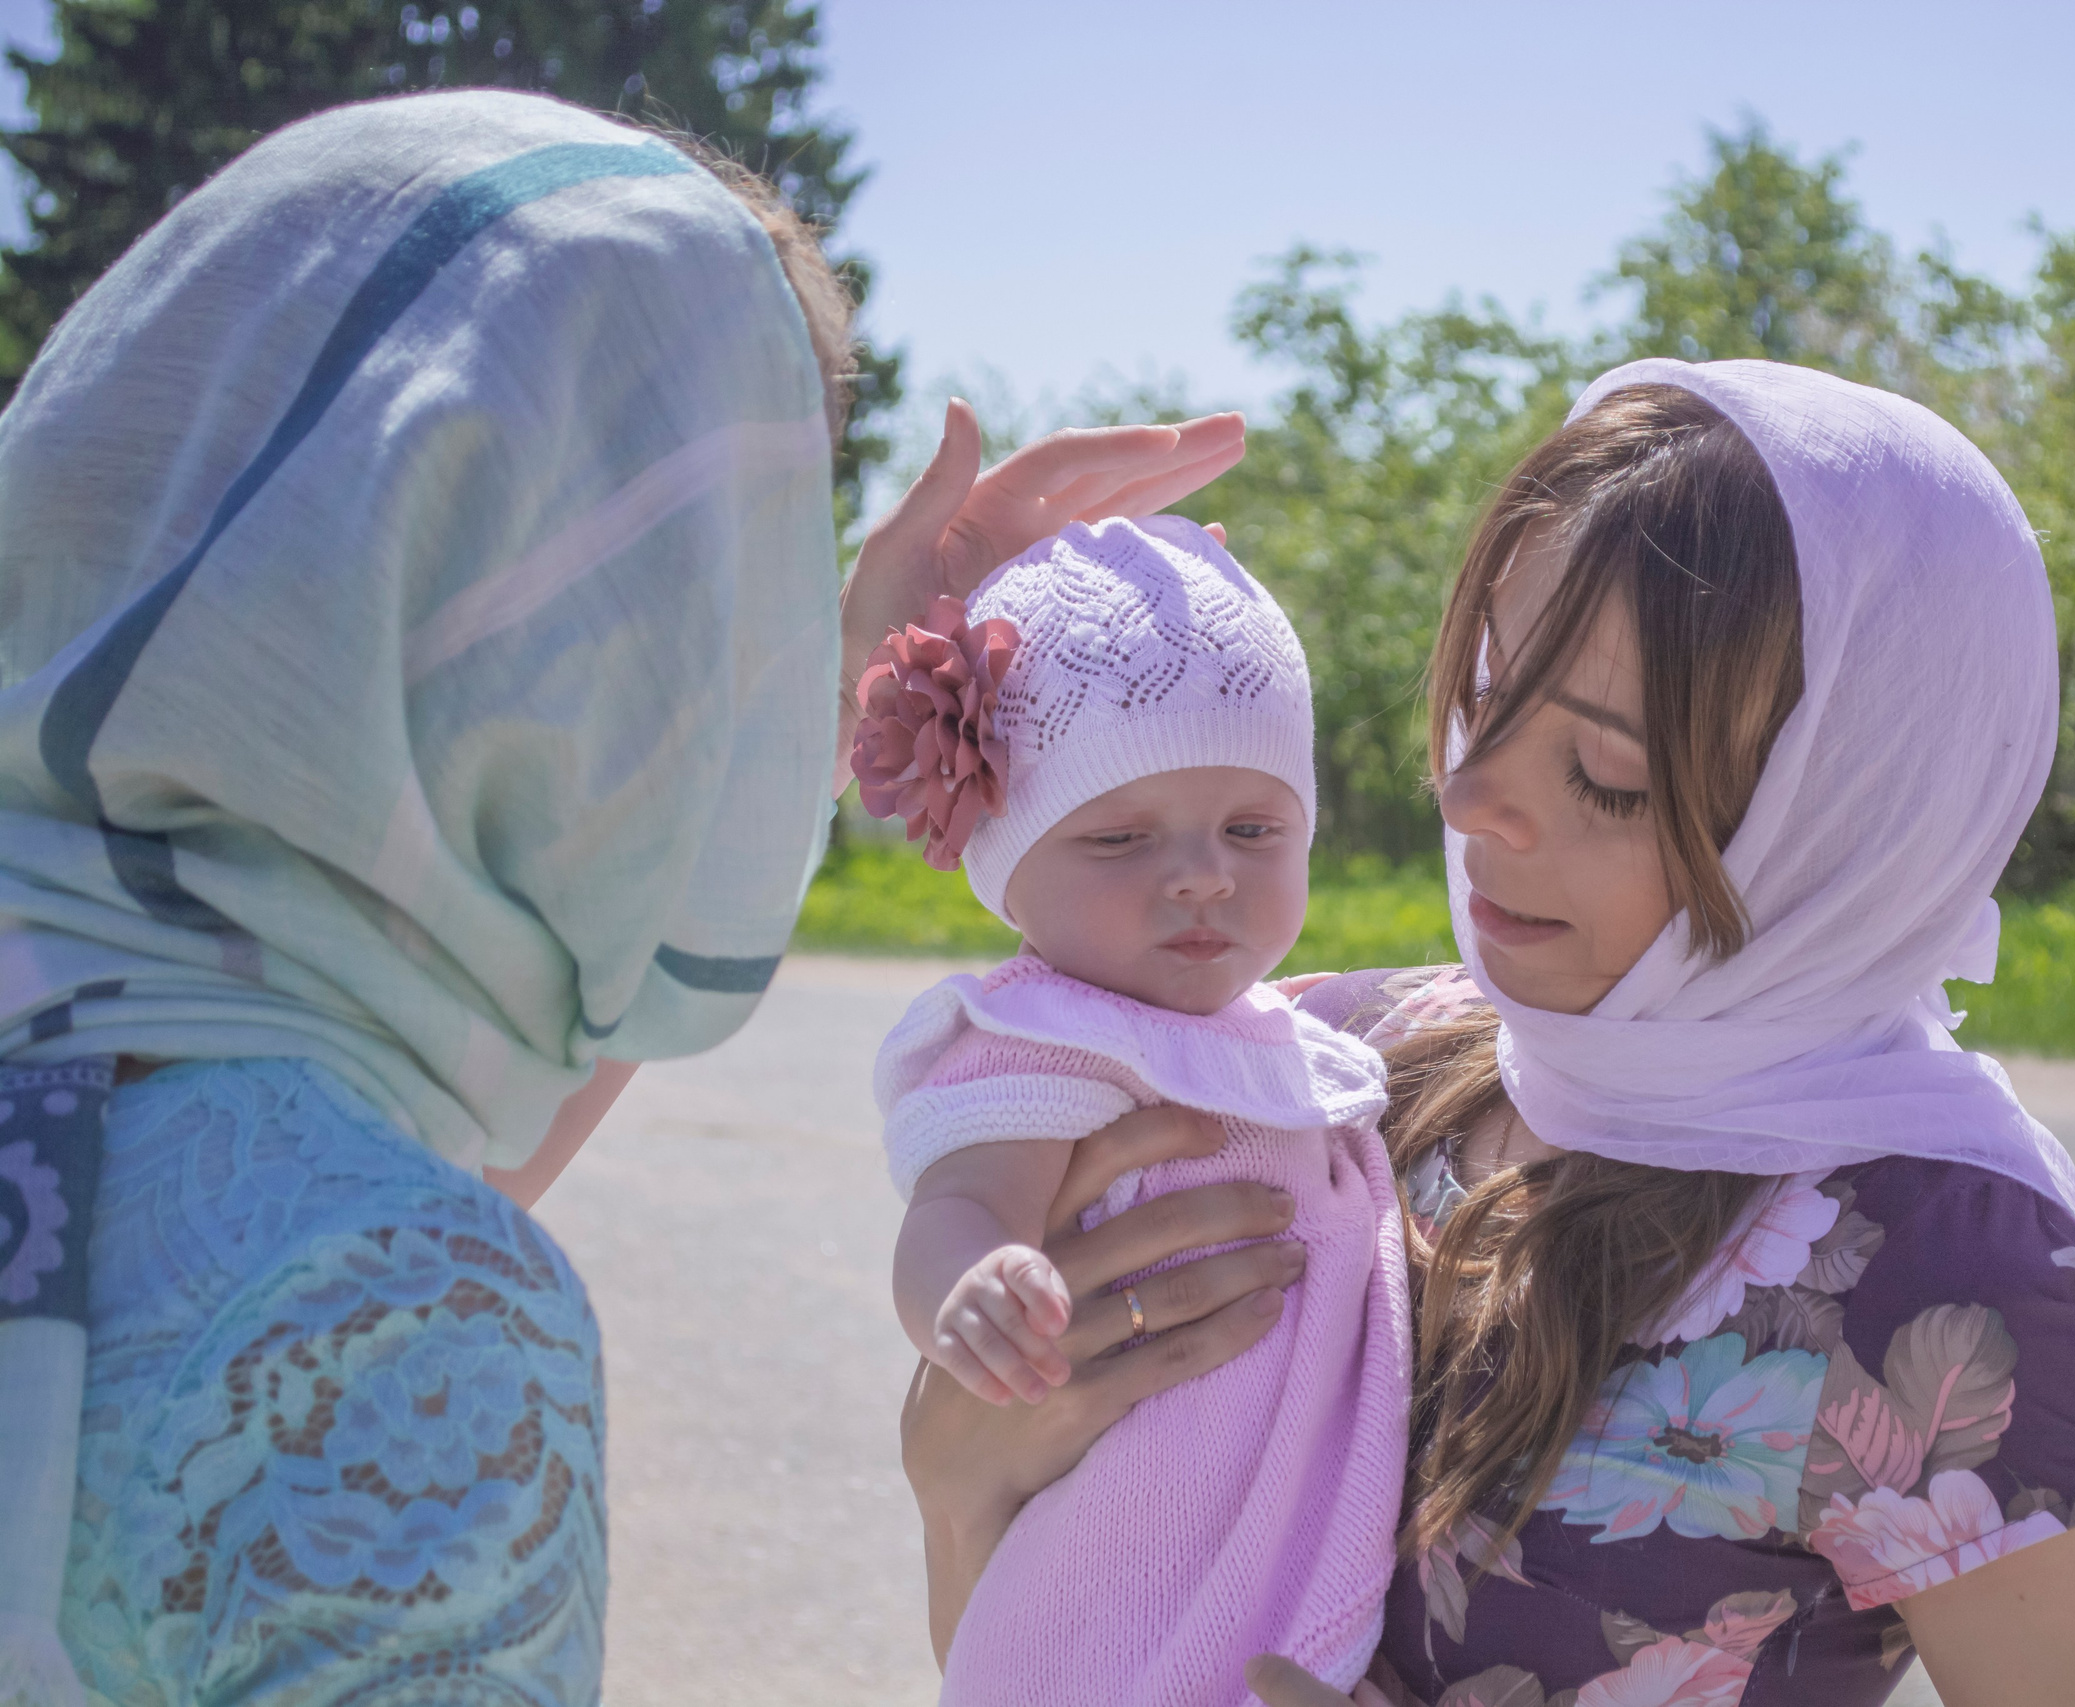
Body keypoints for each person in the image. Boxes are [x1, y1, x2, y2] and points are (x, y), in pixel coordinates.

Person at [0, 88, 1268, 1707]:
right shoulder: (390, 1323)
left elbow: (353, 1156)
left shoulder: (120, 1081)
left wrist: (839, 683)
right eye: (727, 562)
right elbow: (343, 1243)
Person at [903, 361, 2075, 1707]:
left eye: (1605, 775)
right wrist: (958, 1481)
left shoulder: (1941, 1277)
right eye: (1485, 702)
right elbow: (1037, 1622)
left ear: (1855, 812)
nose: (1470, 797)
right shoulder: (1329, 1062)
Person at [856, 517, 1410, 1704]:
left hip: (1273, 1503)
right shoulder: (1048, 1035)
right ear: (1008, 865)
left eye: (1252, 830)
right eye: (1119, 838)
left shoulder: (1285, 1039)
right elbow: (961, 1203)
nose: (1203, 873)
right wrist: (975, 1285)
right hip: (1120, 1544)